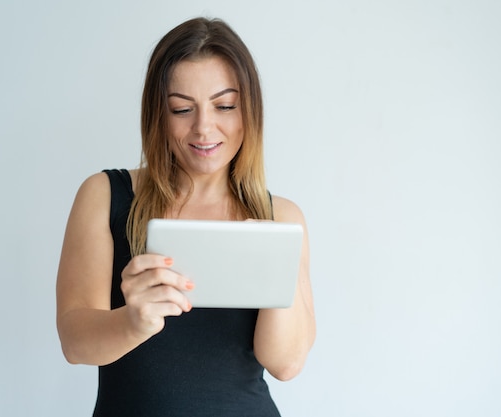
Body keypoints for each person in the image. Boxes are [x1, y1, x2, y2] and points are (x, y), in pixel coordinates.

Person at [56, 17, 315, 417]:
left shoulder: (280, 216)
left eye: (225, 105)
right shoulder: (106, 195)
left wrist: (271, 259)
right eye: (182, 109)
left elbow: (286, 364)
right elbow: (75, 343)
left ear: (249, 111)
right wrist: (133, 322)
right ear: (158, 114)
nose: (203, 128)